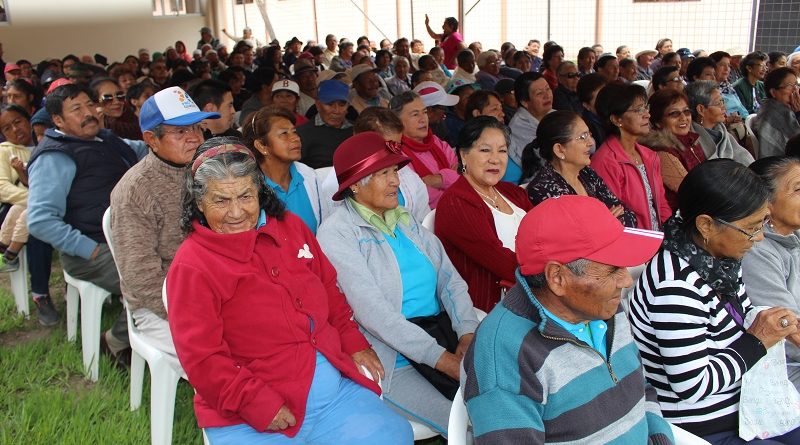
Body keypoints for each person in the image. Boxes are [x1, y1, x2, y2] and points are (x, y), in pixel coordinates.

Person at [166, 137, 412, 444]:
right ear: (200, 203)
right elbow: (203, 358)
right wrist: (257, 404)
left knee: (394, 434)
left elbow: (329, 291)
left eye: (245, 196)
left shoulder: (291, 228)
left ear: (260, 192)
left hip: (334, 397)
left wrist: (353, 342)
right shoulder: (192, 265)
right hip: (249, 415)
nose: (236, 212)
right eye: (220, 201)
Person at [463, 194, 673, 445]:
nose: (626, 281)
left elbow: (641, 390)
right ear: (557, 277)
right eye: (613, 269)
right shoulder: (505, 358)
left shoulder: (602, 308)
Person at [317, 131, 479, 436]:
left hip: (442, 333)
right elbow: (375, 314)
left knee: (505, 402)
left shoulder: (404, 219)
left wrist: (467, 333)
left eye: (395, 171)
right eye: (384, 174)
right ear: (355, 185)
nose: (396, 181)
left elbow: (450, 280)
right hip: (394, 356)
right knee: (467, 423)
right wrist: (443, 360)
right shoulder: (337, 233)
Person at [629, 159, 800, 444]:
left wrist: (776, 323)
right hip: (707, 425)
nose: (759, 238)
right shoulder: (676, 285)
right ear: (706, 224)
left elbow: (740, 316)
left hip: (746, 405)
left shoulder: (718, 259)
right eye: (751, 228)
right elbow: (692, 386)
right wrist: (758, 341)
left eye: (761, 224)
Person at [27, 83, 149, 367]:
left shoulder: (104, 139)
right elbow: (40, 220)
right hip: (92, 249)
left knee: (180, 269)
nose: (89, 113)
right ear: (57, 120)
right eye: (76, 109)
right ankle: (115, 342)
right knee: (152, 284)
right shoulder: (55, 157)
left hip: (129, 238)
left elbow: (145, 150)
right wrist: (89, 249)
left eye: (90, 105)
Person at [110, 86, 215, 355]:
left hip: (215, 287)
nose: (194, 138)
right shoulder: (136, 190)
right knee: (219, 353)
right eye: (180, 132)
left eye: (197, 128)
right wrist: (191, 311)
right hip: (164, 303)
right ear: (151, 139)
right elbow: (141, 275)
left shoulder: (208, 169)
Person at [435, 117, 532, 311]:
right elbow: (499, 260)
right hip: (495, 307)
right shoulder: (456, 202)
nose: (495, 159)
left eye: (502, 150)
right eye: (485, 150)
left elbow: (546, 232)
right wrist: (550, 273)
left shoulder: (513, 192)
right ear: (464, 155)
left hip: (535, 288)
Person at [743, 157, 800, 391]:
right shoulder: (757, 251)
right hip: (786, 368)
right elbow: (790, 331)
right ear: (767, 204)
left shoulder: (794, 236)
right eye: (798, 189)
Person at [526, 110, 636, 227]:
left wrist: (604, 222)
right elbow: (575, 235)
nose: (591, 143)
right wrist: (607, 221)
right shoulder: (543, 189)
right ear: (559, 149)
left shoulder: (587, 173)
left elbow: (629, 215)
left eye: (589, 135)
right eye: (582, 137)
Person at [0, 105, 57, 325]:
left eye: (18, 122)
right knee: (35, 226)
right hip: (16, 207)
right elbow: (3, 188)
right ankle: (40, 295)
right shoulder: (5, 151)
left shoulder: (47, 146)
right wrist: (37, 201)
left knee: (37, 219)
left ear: (29, 121)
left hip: (45, 204)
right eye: (7, 128)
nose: (15, 130)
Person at [591, 83, 672, 230]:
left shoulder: (649, 155)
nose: (647, 114)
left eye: (646, 107)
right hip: (634, 239)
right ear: (616, 119)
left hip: (658, 236)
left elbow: (661, 204)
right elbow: (616, 216)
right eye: (638, 110)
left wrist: (670, 233)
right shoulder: (606, 162)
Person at [242, 106, 323, 233]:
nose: (296, 138)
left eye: (294, 132)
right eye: (284, 133)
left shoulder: (309, 176)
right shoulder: (248, 187)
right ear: (262, 146)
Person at [640, 89, 706, 209]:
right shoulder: (662, 151)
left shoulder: (690, 140)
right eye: (674, 114)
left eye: (686, 111)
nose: (683, 118)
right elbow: (692, 191)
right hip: (688, 213)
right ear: (658, 122)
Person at [390, 91, 458, 208]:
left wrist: (439, 179)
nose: (423, 119)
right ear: (398, 121)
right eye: (415, 114)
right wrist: (451, 178)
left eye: (424, 112)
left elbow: (465, 175)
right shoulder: (397, 154)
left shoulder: (436, 142)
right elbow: (422, 195)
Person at [685, 80, 754, 165]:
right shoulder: (693, 140)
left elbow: (744, 157)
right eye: (718, 103)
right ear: (701, 109)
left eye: (722, 101)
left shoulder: (721, 130)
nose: (724, 107)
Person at [508, 72, 553, 184]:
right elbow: (548, 161)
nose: (547, 95)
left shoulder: (553, 114)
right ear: (524, 102)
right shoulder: (519, 127)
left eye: (548, 89)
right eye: (539, 93)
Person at [297, 80, 353, 169]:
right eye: (330, 104)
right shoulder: (302, 134)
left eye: (342, 105)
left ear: (348, 106)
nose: (336, 111)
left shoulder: (357, 130)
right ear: (318, 105)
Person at [753, 67, 800, 158]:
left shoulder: (789, 110)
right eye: (790, 86)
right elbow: (795, 147)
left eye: (796, 85)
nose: (796, 90)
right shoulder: (771, 113)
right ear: (773, 92)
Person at [577, 73, 608, 148]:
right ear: (587, 106)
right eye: (599, 99)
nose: (607, 100)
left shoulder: (612, 115)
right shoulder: (588, 130)